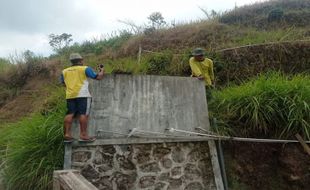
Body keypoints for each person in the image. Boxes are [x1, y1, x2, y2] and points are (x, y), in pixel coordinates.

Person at [60, 53, 104, 142]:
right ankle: (83, 135)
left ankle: (67, 134)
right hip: (83, 95)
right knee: (83, 114)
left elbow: (63, 83)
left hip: (70, 95)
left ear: (71, 62)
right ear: (80, 61)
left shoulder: (64, 71)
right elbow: (98, 77)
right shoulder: (85, 69)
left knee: (70, 114)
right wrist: (102, 70)